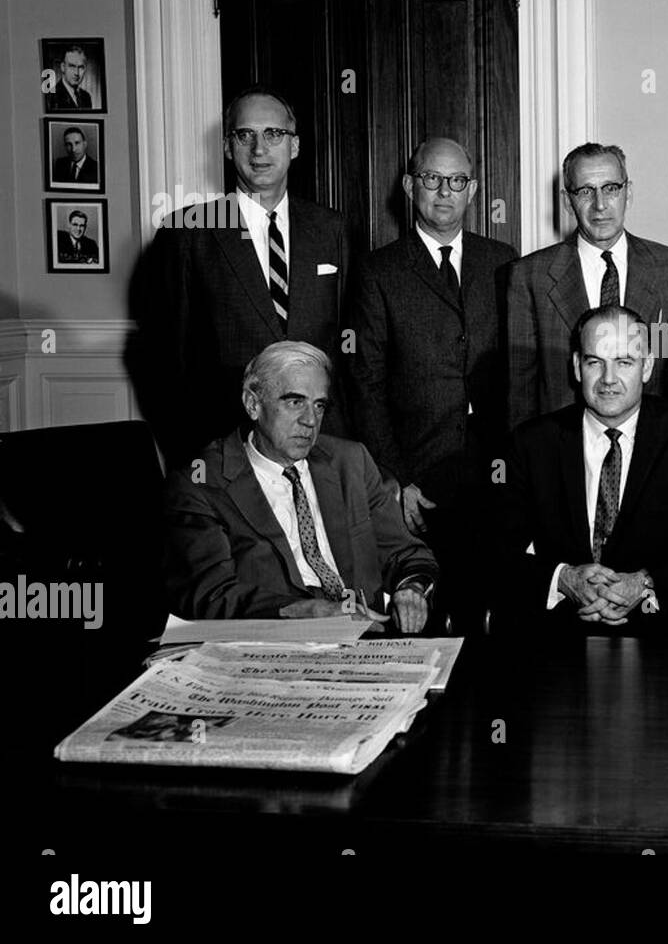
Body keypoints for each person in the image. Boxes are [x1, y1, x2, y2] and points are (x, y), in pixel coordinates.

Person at [131, 84, 349, 468]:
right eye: (245, 135)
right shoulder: (187, 232)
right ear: (229, 147)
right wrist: (191, 452)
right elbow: (164, 360)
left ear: (294, 146)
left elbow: (349, 348)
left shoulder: (330, 228)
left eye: (273, 134)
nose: (259, 149)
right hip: (224, 451)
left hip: (321, 446)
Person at [345, 137, 517, 620]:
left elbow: (518, 372)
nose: (444, 191)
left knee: (498, 606)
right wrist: (395, 481)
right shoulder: (379, 271)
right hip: (419, 475)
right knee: (431, 606)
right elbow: (365, 384)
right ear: (409, 185)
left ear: (473, 190)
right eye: (431, 179)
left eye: (457, 181)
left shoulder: (503, 260)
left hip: (493, 469)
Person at [494, 305, 668, 634]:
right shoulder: (531, 443)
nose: (608, 379)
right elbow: (494, 551)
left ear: (646, 367)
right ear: (576, 366)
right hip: (559, 643)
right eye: (594, 362)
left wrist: (645, 583)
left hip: (665, 643)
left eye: (624, 362)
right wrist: (564, 579)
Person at [164, 341, 437, 631]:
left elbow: (408, 555)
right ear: (253, 404)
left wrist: (412, 589)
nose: (310, 421)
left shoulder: (351, 461)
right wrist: (307, 612)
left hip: (366, 639)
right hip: (271, 645)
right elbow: (211, 595)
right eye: (295, 402)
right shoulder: (202, 483)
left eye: (319, 405)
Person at [504, 142, 668, 430]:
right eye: (585, 191)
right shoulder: (529, 276)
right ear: (568, 202)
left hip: (651, 446)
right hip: (561, 449)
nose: (600, 204)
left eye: (611, 189)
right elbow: (520, 388)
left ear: (628, 193)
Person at [47, 45, 93, 110]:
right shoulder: (51, 97)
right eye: (72, 66)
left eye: (80, 67)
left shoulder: (86, 97)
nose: (76, 73)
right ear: (63, 67)